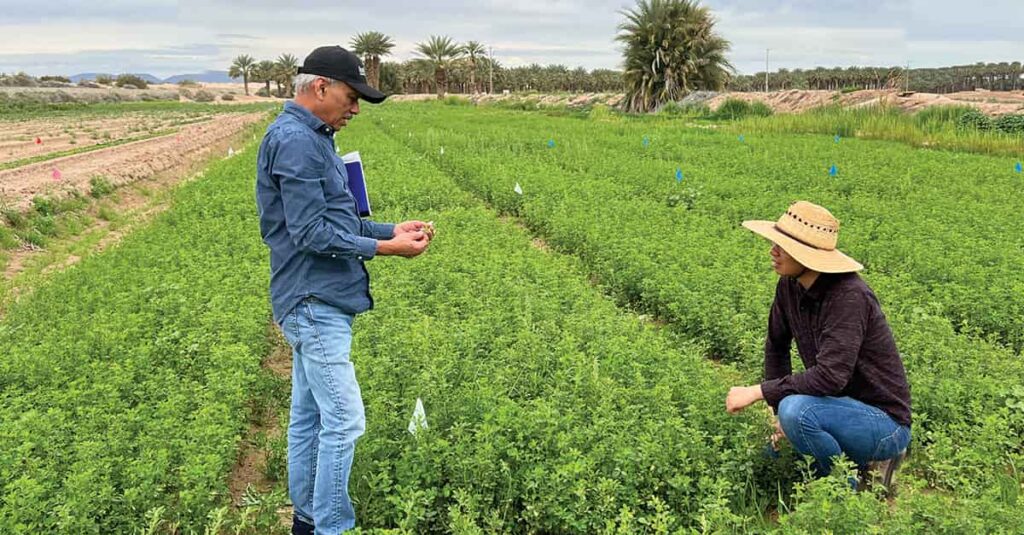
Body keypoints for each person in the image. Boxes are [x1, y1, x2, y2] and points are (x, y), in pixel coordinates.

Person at [256, 45, 432, 535]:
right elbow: (311, 234)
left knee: (309, 419)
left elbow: (338, 219)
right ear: (320, 88)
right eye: (352, 98)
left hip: (317, 296)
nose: (355, 110)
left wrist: (392, 229)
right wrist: (390, 250)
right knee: (345, 421)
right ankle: (331, 527)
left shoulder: (314, 138)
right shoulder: (295, 141)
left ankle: (307, 521)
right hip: (313, 300)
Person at [725, 200, 911, 493]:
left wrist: (759, 392)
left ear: (807, 255)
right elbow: (776, 345)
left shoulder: (849, 296)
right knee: (775, 445)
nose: (772, 251)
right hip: (837, 405)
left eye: (782, 246)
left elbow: (830, 376)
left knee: (796, 411)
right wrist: (776, 413)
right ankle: (848, 459)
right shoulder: (790, 284)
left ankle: (846, 487)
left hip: (884, 423)